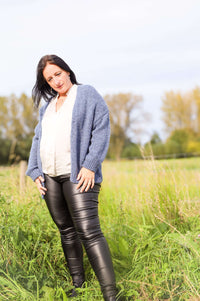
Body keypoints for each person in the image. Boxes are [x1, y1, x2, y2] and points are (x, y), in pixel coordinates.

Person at [26, 54, 118, 300]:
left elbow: (101, 127)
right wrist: (34, 170)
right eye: (49, 79)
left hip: (78, 174)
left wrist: (89, 165)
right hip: (50, 177)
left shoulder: (86, 94)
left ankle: (111, 294)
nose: (55, 81)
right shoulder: (48, 106)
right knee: (66, 231)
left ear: (67, 71)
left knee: (89, 232)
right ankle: (78, 285)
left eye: (57, 74)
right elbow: (38, 138)